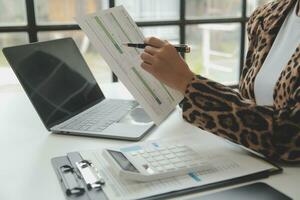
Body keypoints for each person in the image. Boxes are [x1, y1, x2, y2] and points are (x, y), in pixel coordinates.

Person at [140, 0, 300, 163]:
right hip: (254, 163)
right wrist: (181, 83)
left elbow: (289, 136)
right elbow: (250, 104)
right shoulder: (268, 16)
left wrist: (187, 83)